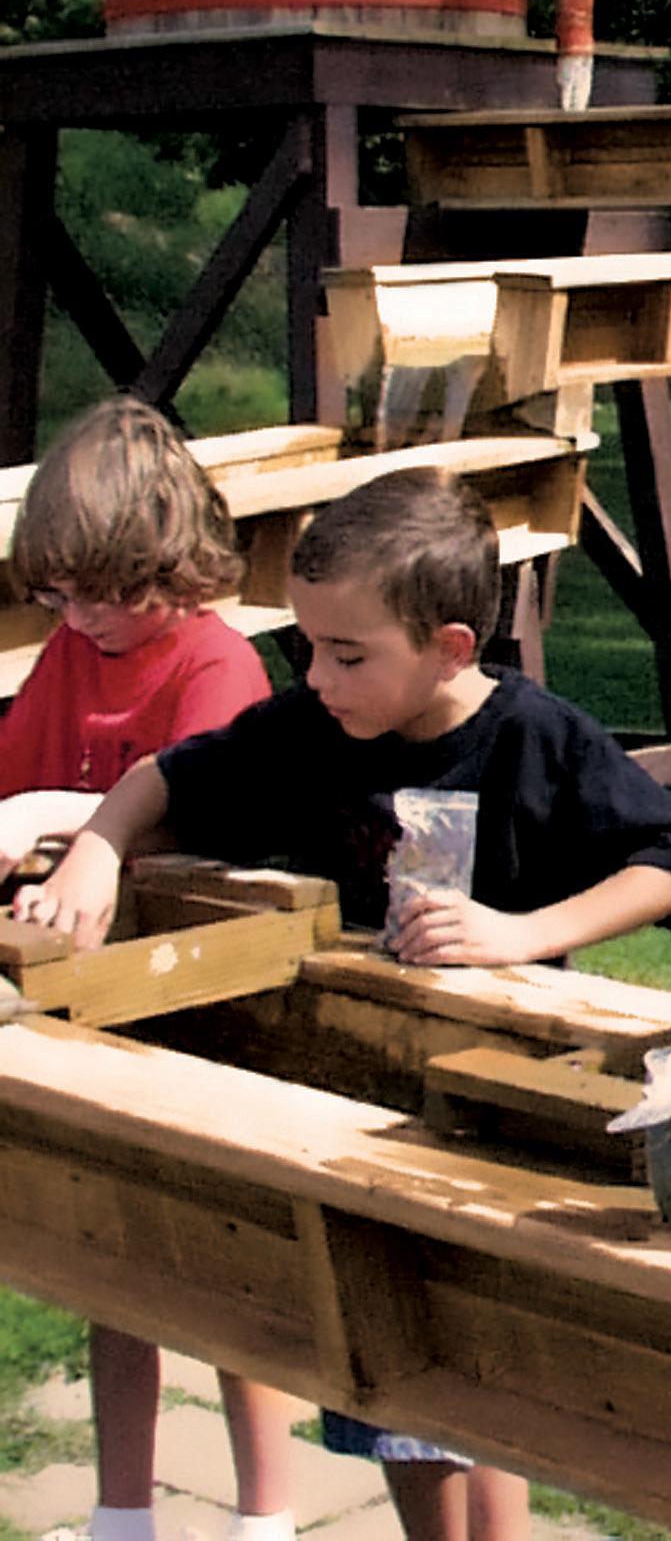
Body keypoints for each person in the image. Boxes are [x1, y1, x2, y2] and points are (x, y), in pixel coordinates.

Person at [18, 466, 671, 1541]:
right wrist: (97, 851)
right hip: (361, 1101)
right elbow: (168, 777)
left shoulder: (536, 738)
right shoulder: (315, 727)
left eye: (348, 654)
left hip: (493, 1103)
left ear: (450, 647)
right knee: (404, 1405)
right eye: (307, 646)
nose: (317, 675)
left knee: (454, 1392)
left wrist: (526, 934)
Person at [0, 397, 297, 1541]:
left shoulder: (217, 663)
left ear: (163, 561)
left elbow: (207, 808)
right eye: (58, 595)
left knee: (233, 1277)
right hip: (98, 1013)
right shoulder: (78, 649)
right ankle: (124, 1514)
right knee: (107, 1268)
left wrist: (58, 821)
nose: (74, 618)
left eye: (95, 592)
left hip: (201, 1005)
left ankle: (265, 1516)